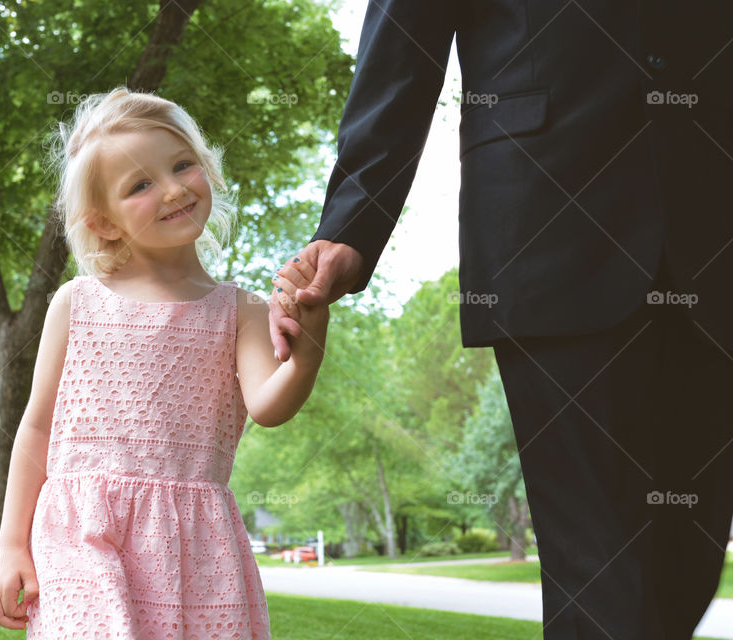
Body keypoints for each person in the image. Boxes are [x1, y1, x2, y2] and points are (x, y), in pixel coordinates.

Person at [271, 1, 733, 638]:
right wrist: (354, 223)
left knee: (686, 561)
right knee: (598, 573)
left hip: (712, 231)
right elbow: (405, 37)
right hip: (553, 222)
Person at [0, 87, 329, 639]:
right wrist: (11, 546)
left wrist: (308, 352)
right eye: (141, 185)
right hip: (82, 534)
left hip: (195, 546)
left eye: (182, 165)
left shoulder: (240, 310)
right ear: (103, 222)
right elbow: (36, 426)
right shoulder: (76, 303)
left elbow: (268, 405)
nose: (173, 189)